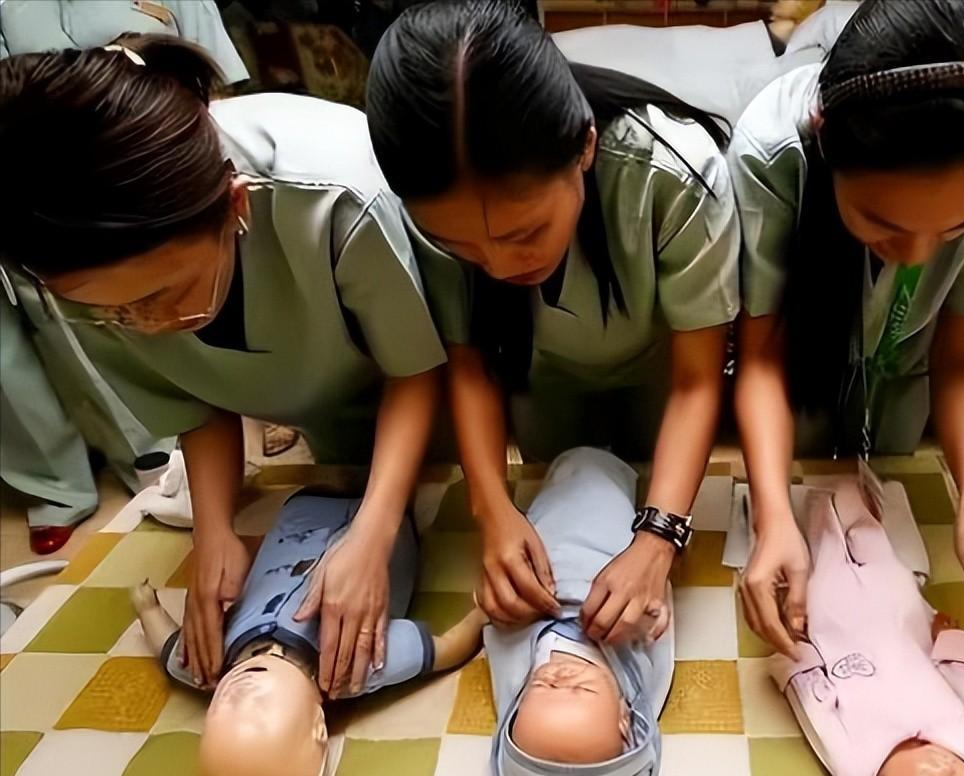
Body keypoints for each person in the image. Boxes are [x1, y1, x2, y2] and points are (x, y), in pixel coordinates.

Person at [0, 36, 446, 698]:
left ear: (235, 207)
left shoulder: (333, 196)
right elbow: (190, 396)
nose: (147, 326)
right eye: (113, 314)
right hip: (313, 402)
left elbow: (416, 368)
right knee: (338, 499)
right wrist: (214, 530)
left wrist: (375, 531)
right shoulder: (63, 267)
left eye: (163, 296)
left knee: (433, 516)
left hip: (420, 380)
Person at [366, 1, 738, 645]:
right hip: (538, 390)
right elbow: (471, 359)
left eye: (526, 232)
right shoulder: (428, 208)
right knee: (560, 500)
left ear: (585, 147)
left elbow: (697, 380)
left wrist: (659, 537)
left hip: (665, 384)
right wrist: (492, 508)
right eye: (463, 250)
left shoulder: (674, 175)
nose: (501, 265)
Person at [728, 0, 964, 660]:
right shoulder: (771, 150)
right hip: (793, 370)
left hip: (909, 374)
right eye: (882, 224)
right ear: (825, 139)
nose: (915, 255)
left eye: (953, 230)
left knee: (894, 498)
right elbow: (760, 354)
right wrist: (771, 516)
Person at [0, 0, 249, 554]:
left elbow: (219, 83)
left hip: (164, 189)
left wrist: (198, 168)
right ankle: (70, 480)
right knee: (74, 337)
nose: (155, 320)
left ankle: (156, 456)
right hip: (52, 218)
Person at [130, 494, 487, 776]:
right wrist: (480, 618)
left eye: (222, 710)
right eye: (259, 708)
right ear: (318, 725)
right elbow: (442, 650)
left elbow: (168, 649)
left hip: (303, 507)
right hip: (384, 517)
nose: (239, 695)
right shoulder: (356, 666)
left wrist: (148, 609)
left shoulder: (207, 661)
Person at [776, 472, 964, 776]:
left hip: (843, 640)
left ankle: (819, 512)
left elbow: (815, 708)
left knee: (824, 574)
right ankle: (858, 502)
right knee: (887, 567)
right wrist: (951, 642)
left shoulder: (854, 762)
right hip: (906, 631)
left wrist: (796, 648)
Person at [473, 447, 672, 775]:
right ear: (624, 718)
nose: (560, 678)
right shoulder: (632, 673)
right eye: (582, 689)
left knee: (561, 490)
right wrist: (653, 615)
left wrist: (494, 606)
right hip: (608, 553)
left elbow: (500, 637)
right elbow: (654, 634)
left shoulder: (519, 671)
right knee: (604, 492)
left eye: (542, 687)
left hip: (543, 559)